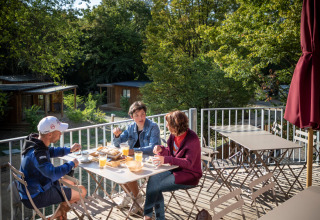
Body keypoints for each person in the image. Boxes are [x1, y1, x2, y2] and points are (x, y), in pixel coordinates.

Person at [18, 116, 87, 220]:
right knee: (82, 191)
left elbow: (51, 151)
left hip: (34, 187)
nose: (61, 133)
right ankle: (58, 215)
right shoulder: (37, 153)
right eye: (59, 131)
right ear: (50, 134)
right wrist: (71, 164)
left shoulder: (35, 143)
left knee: (71, 183)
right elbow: (53, 173)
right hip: (36, 195)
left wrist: (70, 149)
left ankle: (59, 216)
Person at [143, 110, 202, 220]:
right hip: (174, 169)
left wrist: (165, 159)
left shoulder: (192, 139)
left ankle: (150, 216)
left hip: (189, 174)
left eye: (168, 124)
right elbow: (171, 152)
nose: (166, 125)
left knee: (156, 187)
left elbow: (188, 163)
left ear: (175, 126)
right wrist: (161, 149)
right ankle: (149, 216)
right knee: (154, 178)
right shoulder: (173, 136)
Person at [112, 101, 161, 214]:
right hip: (134, 160)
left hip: (150, 161)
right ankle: (132, 196)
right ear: (132, 117)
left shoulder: (153, 127)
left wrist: (133, 151)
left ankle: (136, 200)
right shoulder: (131, 127)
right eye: (137, 115)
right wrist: (117, 135)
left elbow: (153, 148)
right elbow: (117, 143)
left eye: (143, 114)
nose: (140, 118)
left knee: (129, 173)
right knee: (118, 169)